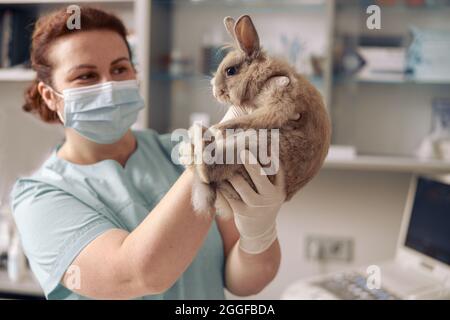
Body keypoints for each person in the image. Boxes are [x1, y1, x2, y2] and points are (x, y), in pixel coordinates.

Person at [10, 7, 285, 300]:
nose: (110, 86)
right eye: (86, 76)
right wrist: (208, 156)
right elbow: (137, 274)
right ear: (50, 96)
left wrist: (259, 234)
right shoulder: (40, 198)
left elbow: (244, 282)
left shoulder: (177, 151)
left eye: (119, 69)